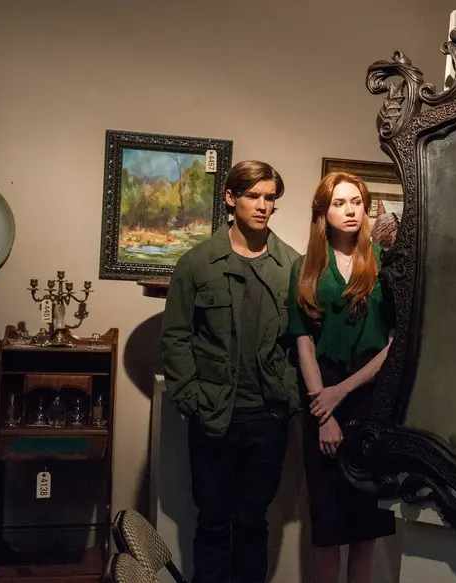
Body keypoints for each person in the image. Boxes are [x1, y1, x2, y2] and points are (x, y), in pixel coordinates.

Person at [160, 160, 301, 583]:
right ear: (230, 198)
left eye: (270, 198)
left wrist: (291, 396)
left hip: (268, 418)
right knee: (213, 521)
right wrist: (191, 399)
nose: (262, 206)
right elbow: (176, 336)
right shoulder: (196, 264)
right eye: (253, 196)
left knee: (254, 521)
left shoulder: (292, 266)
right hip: (215, 416)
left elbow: (302, 341)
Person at [288, 171, 396, 583]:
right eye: (339, 203)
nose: (350, 211)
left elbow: (395, 343)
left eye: (356, 203)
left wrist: (342, 392)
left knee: (366, 527)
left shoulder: (386, 264)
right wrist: (324, 411)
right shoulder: (305, 267)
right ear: (323, 212)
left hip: (371, 397)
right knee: (328, 526)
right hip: (321, 394)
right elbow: (303, 341)